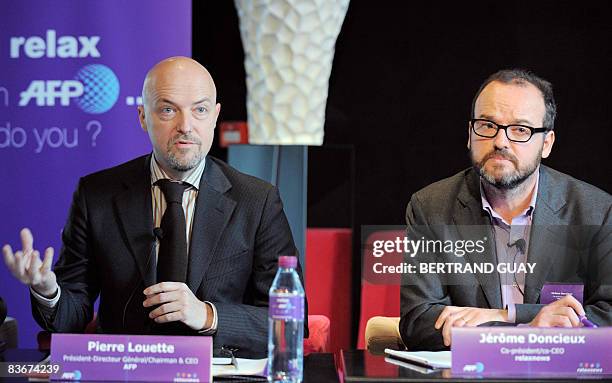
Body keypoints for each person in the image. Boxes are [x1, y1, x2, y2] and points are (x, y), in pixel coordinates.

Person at [2, 56, 307, 358]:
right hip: (124, 371)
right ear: (143, 116)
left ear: (214, 117)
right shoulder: (96, 195)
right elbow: (72, 315)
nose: (185, 126)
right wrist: (47, 291)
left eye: (199, 110)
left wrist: (207, 315)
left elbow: (290, 319)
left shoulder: (257, 200)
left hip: (219, 373)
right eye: (167, 110)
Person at [399, 69, 611, 351]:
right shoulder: (430, 207)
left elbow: (607, 314)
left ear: (546, 144)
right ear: (469, 134)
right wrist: (529, 328)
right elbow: (418, 321)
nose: (500, 141)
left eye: (520, 130)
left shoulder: (595, 211)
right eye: (487, 125)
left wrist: (507, 316)